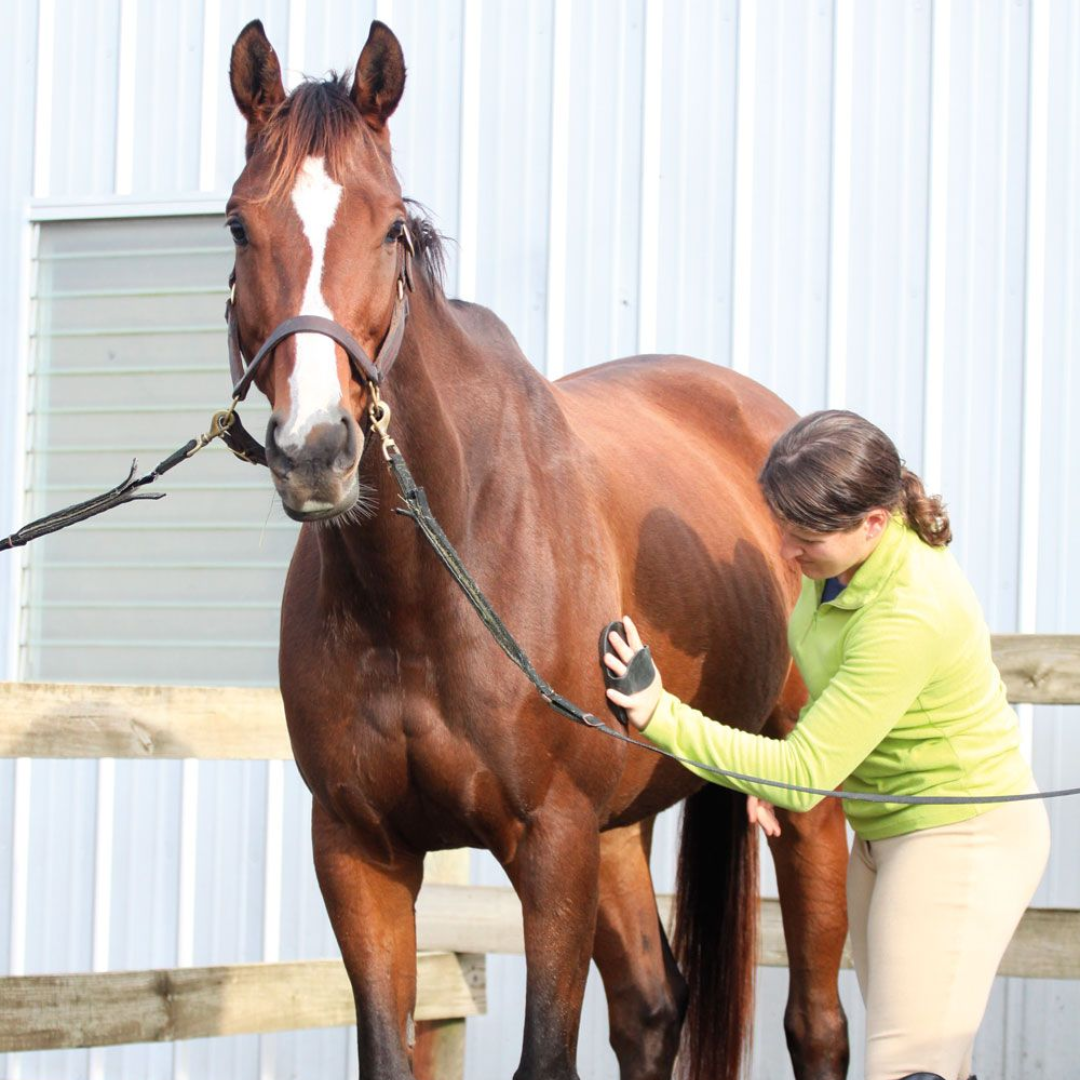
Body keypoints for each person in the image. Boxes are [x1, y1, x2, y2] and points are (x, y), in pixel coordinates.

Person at [602, 409, 1049, 1080]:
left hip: (959, 842)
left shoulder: (909, 611)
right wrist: (776, 777)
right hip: (886, 835)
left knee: (908, 1068)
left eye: (804, 535)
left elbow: (805, 774)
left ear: (873, 521)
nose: (784, 552)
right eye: (781, 526)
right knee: (936, 1061)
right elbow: (836, 707)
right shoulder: (838, 570)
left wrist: (660, 712)